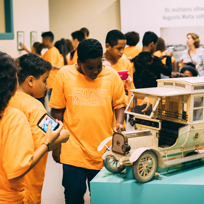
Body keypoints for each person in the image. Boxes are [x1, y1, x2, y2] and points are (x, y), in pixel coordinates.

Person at [49, 39, 127, 204]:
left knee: (102, 197)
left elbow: (119, 104)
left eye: (99, 66)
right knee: (73, 196)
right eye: (90, 67)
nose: (95, 71)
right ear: (79, 62)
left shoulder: (111, 75)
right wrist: (56, 145)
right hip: (73, 149)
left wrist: (119, 122)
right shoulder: (64, 74)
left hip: (104, 151)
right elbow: (57, 112)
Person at [0, 51, 68, 203]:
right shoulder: (35, 108)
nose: (47, 85)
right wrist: (63, 136)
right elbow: (45, 143)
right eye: (45, 80)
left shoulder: (5, 101)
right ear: (30, 81)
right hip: (25, 187)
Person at [41, 31, 64, 99]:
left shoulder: (52, 51)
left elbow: (49, 66)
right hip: (51, 84)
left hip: (52, 84)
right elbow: (39, 58)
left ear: (47, 40)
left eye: (43, 41)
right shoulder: (49, 51)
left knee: (52, 106)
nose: (42, 42)